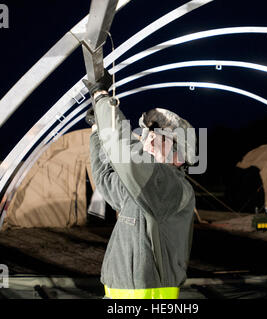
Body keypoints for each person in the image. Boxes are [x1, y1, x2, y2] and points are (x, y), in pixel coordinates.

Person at [83, 70, 196, 299]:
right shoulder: (141, 190)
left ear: (179, 155)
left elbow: (127, 155)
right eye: (147, 133)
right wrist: (97, 130)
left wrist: (103, 98)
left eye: (158, 134)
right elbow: (105, 179)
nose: (148, 138)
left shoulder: (173, 189)